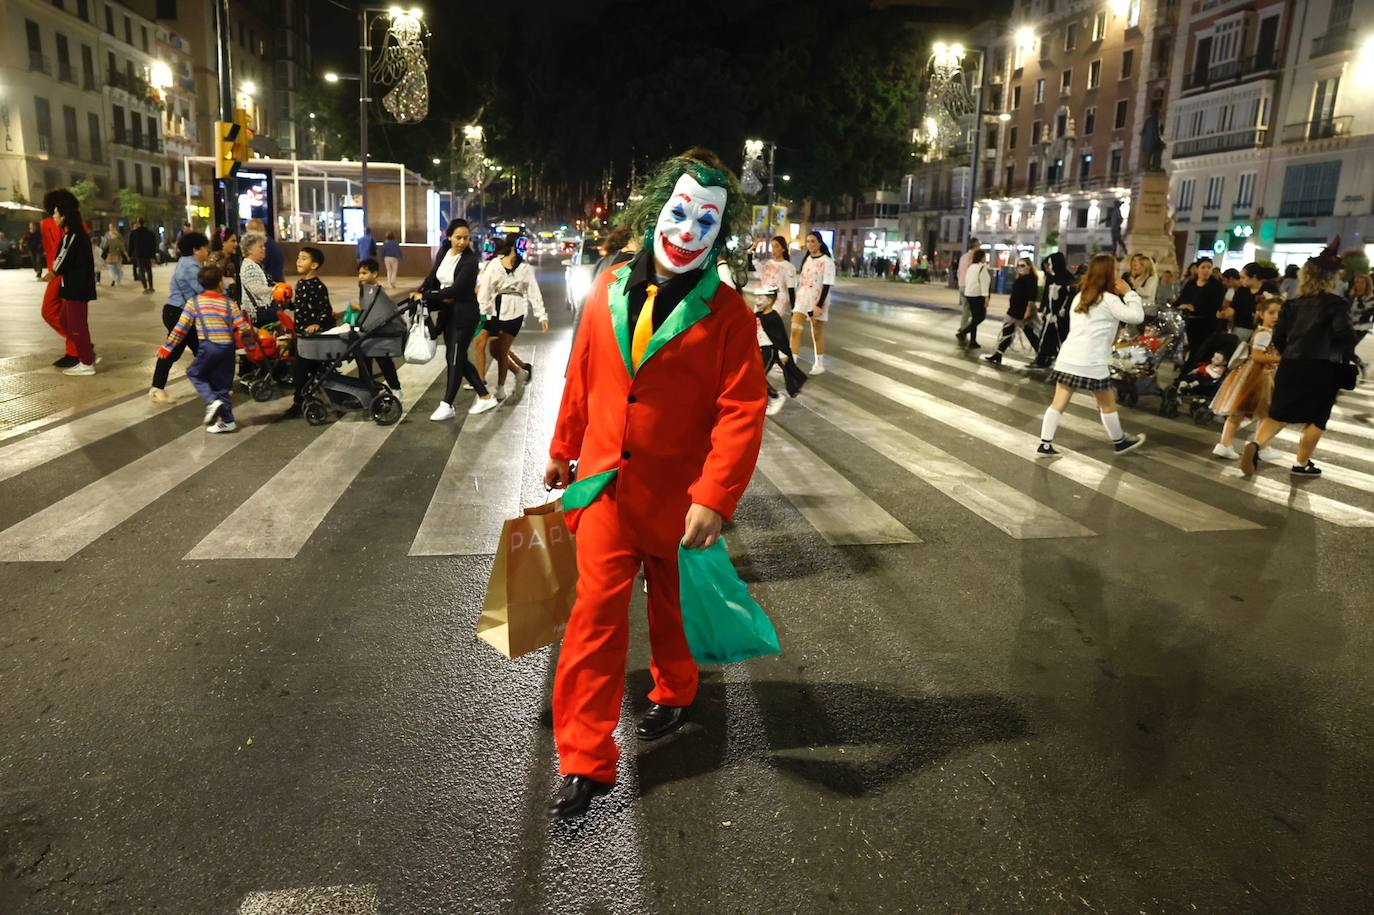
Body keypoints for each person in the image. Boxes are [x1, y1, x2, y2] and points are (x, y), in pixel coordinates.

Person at [543, 147, 766, 819]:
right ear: (654, 212)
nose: (688, 230)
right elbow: (582, 373)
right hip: (606, 489)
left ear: (719, 232)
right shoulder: (607, 285)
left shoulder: (729, 314)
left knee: (671, 610)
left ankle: (674, 688)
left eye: (706, 220)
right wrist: (562, 447)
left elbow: (741, 411)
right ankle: (583, 756)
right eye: (679, 212)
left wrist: (714, 497)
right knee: (591, 623)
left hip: (678, 499)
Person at [1241, 241, 1358, 477]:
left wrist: (1289, 354)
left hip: (1291, 364)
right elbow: (1344, 335)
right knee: (1317, 417)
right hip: (1323, 368)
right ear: (1331, 277)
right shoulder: (1336, 304)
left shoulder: (1292, 305)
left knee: (1279, 414)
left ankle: (1255, 446)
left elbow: (1280, 337)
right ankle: (1301, 464)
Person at [1036, 253, 1146, 457]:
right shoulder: (1110, 300)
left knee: (1058, 402)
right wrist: (1129, 293)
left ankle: (1045, 443)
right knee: (1107, 403)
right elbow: (1136, 316)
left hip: (1068, 358)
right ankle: (1119, 442)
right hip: (1092, 362)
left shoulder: (1080, 296)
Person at [411, 218, 498, 419]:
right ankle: (485, 397)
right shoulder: (444, 252)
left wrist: (427, 296)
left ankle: (447, 404)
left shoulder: (470, 261)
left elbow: (459, 289)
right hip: (448, 313)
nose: (462, 242)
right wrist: (421, 290)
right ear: (448, 236)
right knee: (457, 357)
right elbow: (433, 276)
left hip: (464, 315)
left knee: (454, 358)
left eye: (465, 238)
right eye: (458, 237)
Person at [158, 263, 248, 433]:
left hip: (209, 346)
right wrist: (250, 347)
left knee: (194, 373)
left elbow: (181, 328)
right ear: (220, 283)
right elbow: (243, 327)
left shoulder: (194, 303)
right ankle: (227, 420)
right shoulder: (229, 303)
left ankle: (211, 401)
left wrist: (167, 347)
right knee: (222, 384)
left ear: (200, 284)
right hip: (228, 349)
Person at [1211, 295, 1284, 460]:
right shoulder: (1265, 333)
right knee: (1258, 411)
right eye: (1271, 312)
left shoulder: (1264, 331)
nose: (1276, 317)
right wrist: (1281, 359)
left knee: (1247, 411)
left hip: (1253, 374)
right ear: (1261, 314)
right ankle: (1260, 445)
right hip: (1258, 375)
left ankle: (1228, 444)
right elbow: (1257, 356)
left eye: (1279, 313)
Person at [478, 234, 548, 400]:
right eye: (522, 244)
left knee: (502, 351)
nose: (524, 248)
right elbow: (485, 290)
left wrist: (541, 315)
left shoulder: (525, 268)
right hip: (495, 311)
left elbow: (533, 292)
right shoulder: (495, 264)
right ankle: (520, 371)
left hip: (516, 312)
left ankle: (500, 388)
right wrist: (483, 311)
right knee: (494, 350)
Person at [149, 231, 211, 402]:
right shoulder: (190, 267)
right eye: (205, 248)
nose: (207, 251)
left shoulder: (190, 264)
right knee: (173, 351)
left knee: (201, 349)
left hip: (183, 313)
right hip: (178, 314)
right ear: (195, 250)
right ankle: (156, 389)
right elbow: (203, 290)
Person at [49, 196, 99, 376]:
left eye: (55, 213)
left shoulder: (73, 236)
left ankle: (86, 363)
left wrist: (53, 272)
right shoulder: (72, 235)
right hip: (71, 288)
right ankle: (87, 352)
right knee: (64, 320)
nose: (53, 216)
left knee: (78, 326)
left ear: (64, 217)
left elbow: (62, 258)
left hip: (76, 289)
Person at [284, 247, 336, 418]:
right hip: (302, 335)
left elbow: (326, 310)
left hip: (313, 337)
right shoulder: (300, 284)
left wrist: (316, 324)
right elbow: (300, 306)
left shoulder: (318, 286)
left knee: (300, 369)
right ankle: (308, 395)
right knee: (304, 369)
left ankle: (298, 401)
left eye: (304, 258)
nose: (299, 261)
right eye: (298, 257)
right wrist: (287, 304)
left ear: (314, 265)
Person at [39, 190, 80, 367]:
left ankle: (75, 350)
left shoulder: (77, 226)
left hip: (68, 275)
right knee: (50, 311)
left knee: (66, 314)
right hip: (56, 274)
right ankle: (79, 344)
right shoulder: (46, 224)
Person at [752, 284, 806, 414]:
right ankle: (765, 400)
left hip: (769, 351)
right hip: (760, 349)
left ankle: (776, 397)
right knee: (755, 376)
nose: (757, 301)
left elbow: (780, 337)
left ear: (769, 301)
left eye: (760, 298)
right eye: (757, 298)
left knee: (758, 376)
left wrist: (782, 353)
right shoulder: (759, 314)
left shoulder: (773, 317)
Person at [789, 230, 836, 373]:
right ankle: (793, 363)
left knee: (816, 333)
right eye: (808, 241)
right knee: (795, 330)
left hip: (817, 300)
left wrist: (819, 305)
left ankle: (819, 364)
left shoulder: (827, 262)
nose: (810, 244)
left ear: (820, 243)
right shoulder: (807, 259)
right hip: (802, 299)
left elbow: (827, 284)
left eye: (813, 241)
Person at [356, 258, 404, 391]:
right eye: (359, 273)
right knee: (365, 361)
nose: (361, 276)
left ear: (375, 274)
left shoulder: (376, 292)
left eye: (364, 273)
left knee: (383, 361)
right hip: (371, 332)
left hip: (380, 333)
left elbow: (382, 310)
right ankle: (367, 390)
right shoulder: (367, 290)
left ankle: (396, 389)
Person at [985, 258, 1041, 365]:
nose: (1020, 268)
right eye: (1018, 266)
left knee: (1030, 334)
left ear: (1029, 266)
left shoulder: (1031, 279)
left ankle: (1040, 356)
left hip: (1023, 310)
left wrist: (1028, 311)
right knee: (1007, 332)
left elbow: (1032, 297)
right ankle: (998, 354)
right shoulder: (1020, 278)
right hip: (1014, 309)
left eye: (1023, 265)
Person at [1028, 252, 1076, 369]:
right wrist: (1046, 310)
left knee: (1062, 339)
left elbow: (1070, 297)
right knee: (1045, 337)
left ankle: (1066, 362)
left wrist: (1062, 310)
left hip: (1061, 317)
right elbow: (1047, 296)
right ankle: (1042, 359)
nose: (1049, 267)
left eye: (1050, 264)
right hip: (1050, 315)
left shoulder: (1067, 279)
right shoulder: (1052, 278)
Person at [1174, 256, 1226, 362]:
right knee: (1189, 350)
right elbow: (1181, 300)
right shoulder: (1191, 284)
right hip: (1190, 323)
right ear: (1197, 269)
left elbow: (1215, 306)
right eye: (1203, 267)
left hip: (1207, 324)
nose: (1206, 270)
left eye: (1209, 267)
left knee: (1200, 353)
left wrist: (1194, 308)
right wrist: (1176, 306)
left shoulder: (1217, 286)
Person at [958, 248, 993, 349]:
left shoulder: (971, 267)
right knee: (980, 317)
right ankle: (963, 332)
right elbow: (984, 284)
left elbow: (967, 280)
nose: (985, 259)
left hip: (969, 294)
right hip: (978, 295)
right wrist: (986, 298)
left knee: (974, 318)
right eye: (984, 257)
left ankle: (973, 341)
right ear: (981, 258)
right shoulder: (982, 268)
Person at [238, 232, 274, 323]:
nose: (264, 249)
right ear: (249, 249)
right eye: (260, 246)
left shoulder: (253, 264)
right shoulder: (250, 266)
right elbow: (256, 289)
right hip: (256, 314)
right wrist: (275, 290)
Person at [758, 235, 798, 312]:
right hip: (763, 299)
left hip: (779, 301)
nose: (774, 249)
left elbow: (791, 289)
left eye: (776, 246)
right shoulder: (768, 263)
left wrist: (794, 310)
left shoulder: (789, 267)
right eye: (772, 246)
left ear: (783, 249)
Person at [1346, 272, 1373, 378]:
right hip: (1349, 326)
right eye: (1357, 282)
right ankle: (1362, 366)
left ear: (1367, 285)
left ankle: (1361, 366)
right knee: (1346, 350)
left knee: (1347, 349)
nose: (1359, 285)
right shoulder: (1352, 296)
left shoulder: (1371, 299)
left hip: (1361, 328)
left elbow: (1368, 316)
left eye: (1362, 283)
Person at [207, 231, 241, 302]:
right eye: (233, 241)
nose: (236, 244)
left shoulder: (228, 258)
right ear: (223, 242)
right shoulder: (216, 258)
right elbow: (213, 280)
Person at [955, 237, 981, 330]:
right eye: (979, 245)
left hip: (961, 285)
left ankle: (963, 327)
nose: (980, 247)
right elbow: (973, 273)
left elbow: (958, 272)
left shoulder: (963, 257)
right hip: (968, 287)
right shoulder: (973, 257)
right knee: (976, 312)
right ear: (975, 246)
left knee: (966, 309)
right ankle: (964, 329)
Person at [129, 218, 158, 293]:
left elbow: (131, 245)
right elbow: (153, 245)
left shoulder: (134, 233)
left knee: (141, 271)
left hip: (139, 254)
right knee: (149, 270)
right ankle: (151, 287)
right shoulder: (150, 233)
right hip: (148, 254)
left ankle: (145, 288)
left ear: (138, 223)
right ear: (144, 223)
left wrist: (130, 254)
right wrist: (153, 256)